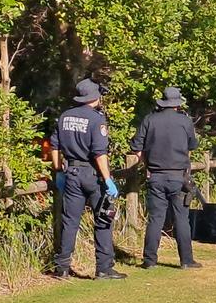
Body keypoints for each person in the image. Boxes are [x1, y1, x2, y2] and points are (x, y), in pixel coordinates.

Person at [50, 78, 127, 280]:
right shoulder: (96, 119)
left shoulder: (64, 116)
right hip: (92, 175)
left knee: (70, 221)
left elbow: (55, 146)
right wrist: (108, 179)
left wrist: (58, 170)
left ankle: (62, 268)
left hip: (71, 173)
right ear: (95, 97)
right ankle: (104, 268)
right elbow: (99, 153)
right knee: (103, 220)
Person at [130, 86, 202, 270]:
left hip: (155, 175)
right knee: (181, 219)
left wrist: (146, 165)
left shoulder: (149, 120)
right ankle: (186, 260)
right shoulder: (185, 122)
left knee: (155, 218)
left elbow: (136, 147)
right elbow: (192, 146)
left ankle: (149, 260)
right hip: (179, 176)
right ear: (178, 104)